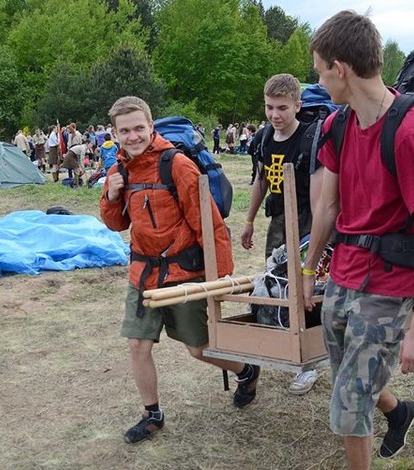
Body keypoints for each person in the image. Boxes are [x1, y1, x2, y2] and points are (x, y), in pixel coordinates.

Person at [300, 11, 414, 467]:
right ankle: (399, 412)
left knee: (349, 404)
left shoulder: (412, 131)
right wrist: (308, 271)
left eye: (320, 70)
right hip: (343, 274)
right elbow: (327, 207)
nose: (320, 81)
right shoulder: (339, 126)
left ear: (339, 68)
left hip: (389, 287)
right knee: (350, 376)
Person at [100, 96, 260, 444]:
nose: (133, 136)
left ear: (151, 126)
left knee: (198, 349)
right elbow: (116, 223)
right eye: (124, 131)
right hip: (142, 275)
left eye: (139, 128)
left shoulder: (178, 165)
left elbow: (210, 224)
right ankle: (152, 415)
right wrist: (111, 198)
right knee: (138, 345)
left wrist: (220, 277)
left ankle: (246, 370)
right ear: (114, 133)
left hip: (183, 275)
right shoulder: (118, 170)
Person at [240, 74, 320, 395]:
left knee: (304, 288)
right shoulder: (262, 139)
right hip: (277, 220)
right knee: (276, 284)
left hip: (305, 219)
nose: (275, 115)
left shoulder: (308, 139)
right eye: (270, 107)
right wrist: (248, 221)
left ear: (298, 106)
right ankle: (285, 344)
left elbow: (321, 191)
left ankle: (309, 360)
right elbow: (261, 179)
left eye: (282, 108)